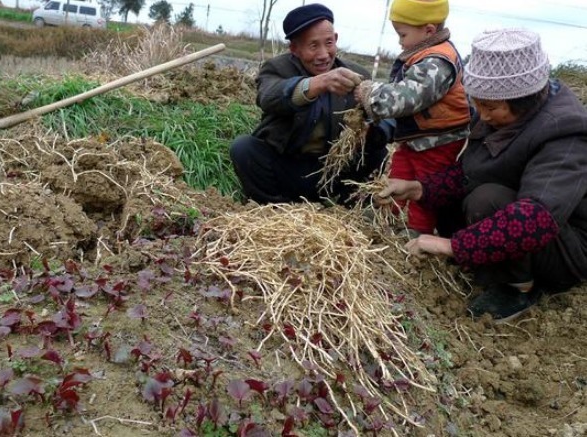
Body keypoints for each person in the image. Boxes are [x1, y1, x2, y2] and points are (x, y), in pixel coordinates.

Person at [378, 28, 587, 322]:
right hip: (515, 224)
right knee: (457, 199)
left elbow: (537, 218)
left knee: (487, 199)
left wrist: (451, 245)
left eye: (490, 108)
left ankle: (518, 288)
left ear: (524, 99)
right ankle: (489, 263)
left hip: (564, 249)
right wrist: (417, 189)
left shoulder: (565, 131)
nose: (482, 115)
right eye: (478, 103)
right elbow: (469, 174)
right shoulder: (500, 114)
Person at [229, 3, 389, 205]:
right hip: (289, 169)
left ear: (336, 40)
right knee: (244, 149)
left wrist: (372, 129)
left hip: (334, 173)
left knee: (379, 152)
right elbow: (269, 96)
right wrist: (317, 84)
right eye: (313, 46)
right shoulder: (276, 68)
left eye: (329, 43)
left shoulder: (356, 73)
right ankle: (275, 209)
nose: (323, 54)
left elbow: (382, 120)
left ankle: (346, 206)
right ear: (294, 49)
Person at [354, 0, 470, 237]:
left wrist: (372, 94)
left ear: (428, 30)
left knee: (423, 187)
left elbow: (408, 97)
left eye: (402, 34)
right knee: (399, 174)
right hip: (417, 139)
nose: (399, 41)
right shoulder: (424, 55)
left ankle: (418, 232)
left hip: (439, 142)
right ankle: (385, 216)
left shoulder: (438, 62)